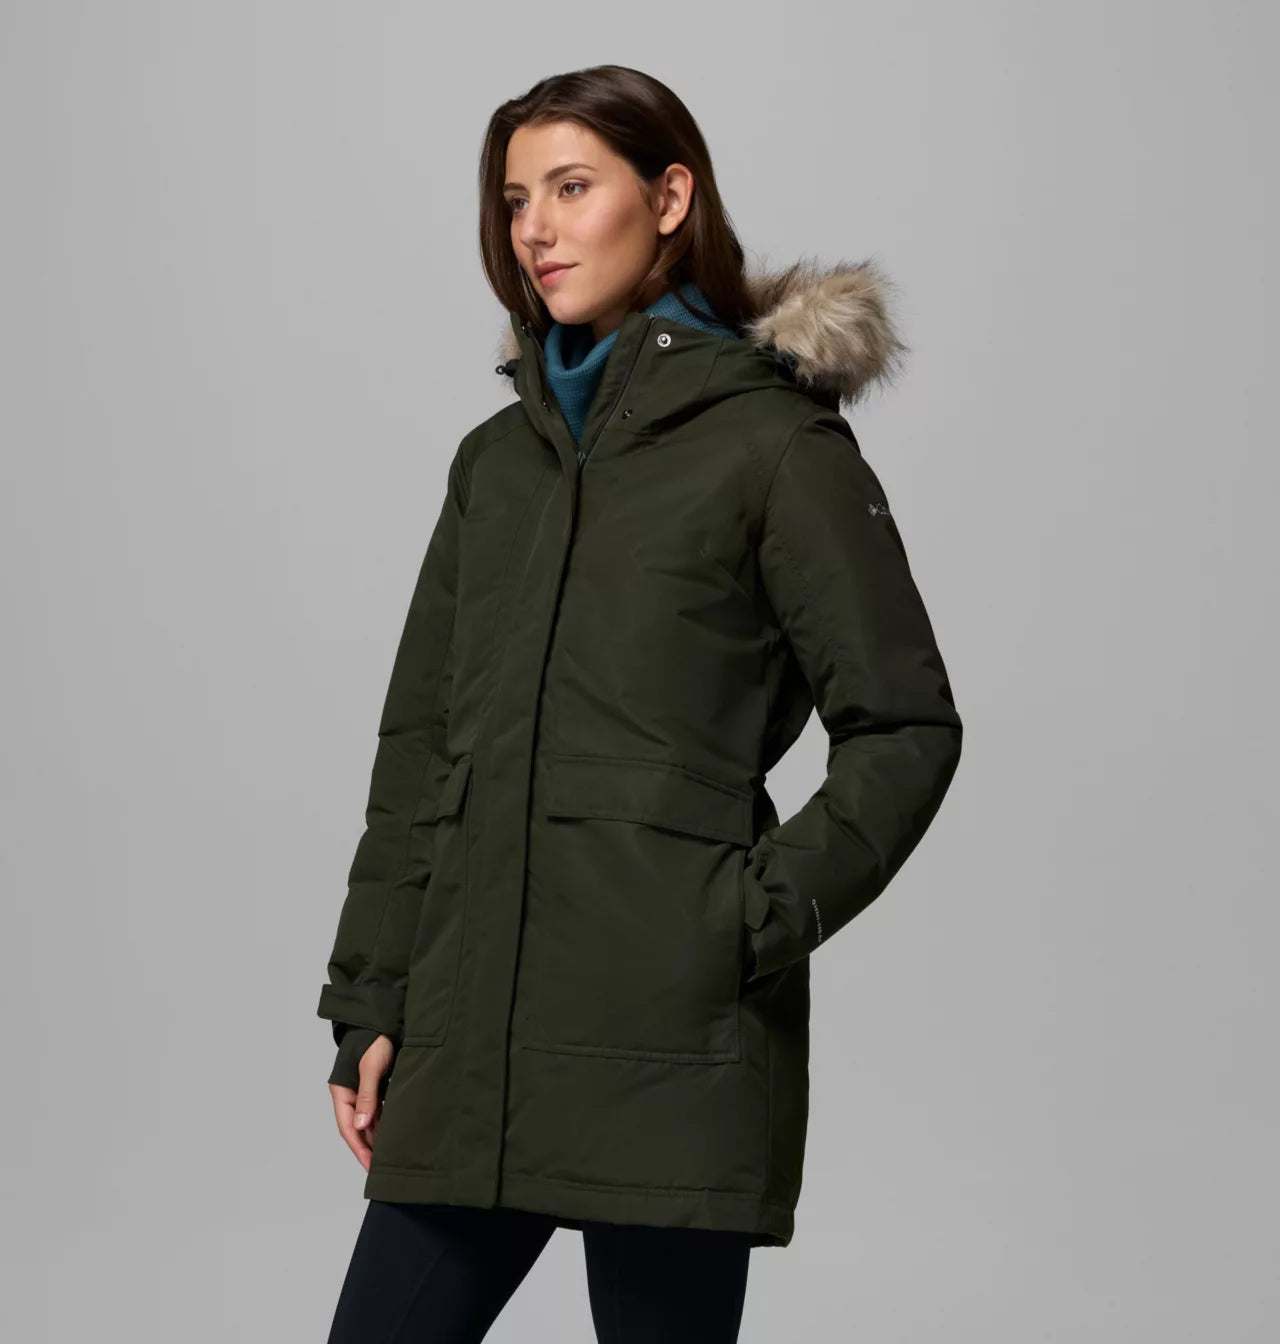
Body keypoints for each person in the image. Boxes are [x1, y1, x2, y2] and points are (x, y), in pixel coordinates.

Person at [316, 63, 964, 1343]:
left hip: (668, 1043)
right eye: (515, 201)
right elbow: (422, 749)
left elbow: (904, 727)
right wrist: (372, 999)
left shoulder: (771, 446)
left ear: (668, 198)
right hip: (469, 1043)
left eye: (571, 188)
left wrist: (739, 922)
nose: (535, 231)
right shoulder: (493, 465)